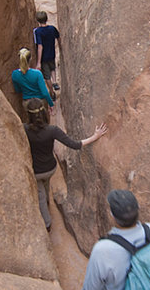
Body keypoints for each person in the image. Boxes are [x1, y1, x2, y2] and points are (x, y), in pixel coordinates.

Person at [24, 97, 107, 231]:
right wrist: (95, 136)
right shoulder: (52, 130)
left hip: (36, 171)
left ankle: (47, 224)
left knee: (40, 194)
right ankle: (47, 201)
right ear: (44, 113)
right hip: (50, 168)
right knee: (45, 185)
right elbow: (74, 144)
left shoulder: (24, 129)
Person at [12, 47, 54, 113]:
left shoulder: (15, 74)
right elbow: (45, 93)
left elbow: (17, 90)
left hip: (27, 103)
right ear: (30, 59)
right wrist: (51, 104)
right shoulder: (37, 74)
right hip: (40, 101)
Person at [34, 11, 61, 91]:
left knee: (47, 75)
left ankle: (51, 92)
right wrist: (60, 47)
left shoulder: (38, 31)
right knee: (52, 68)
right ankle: (55, 82)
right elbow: (58, 37)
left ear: (37, 21)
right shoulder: (52, 28)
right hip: (52, 53)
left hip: (44, 57)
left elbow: (40, 46)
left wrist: (38, 62)